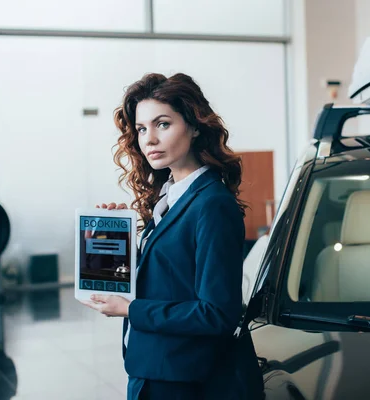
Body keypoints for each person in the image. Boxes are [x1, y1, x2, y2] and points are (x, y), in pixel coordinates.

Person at [81, 72, 264, 399]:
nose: (149, 139)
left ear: (194, 126)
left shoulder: (212, 204)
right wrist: (115, 239)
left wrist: (129, 309)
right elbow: (168, 277)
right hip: (152, 369)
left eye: (162, 124)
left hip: (182, 380)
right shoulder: (169, 197)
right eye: (141, 128)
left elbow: (217, 314)